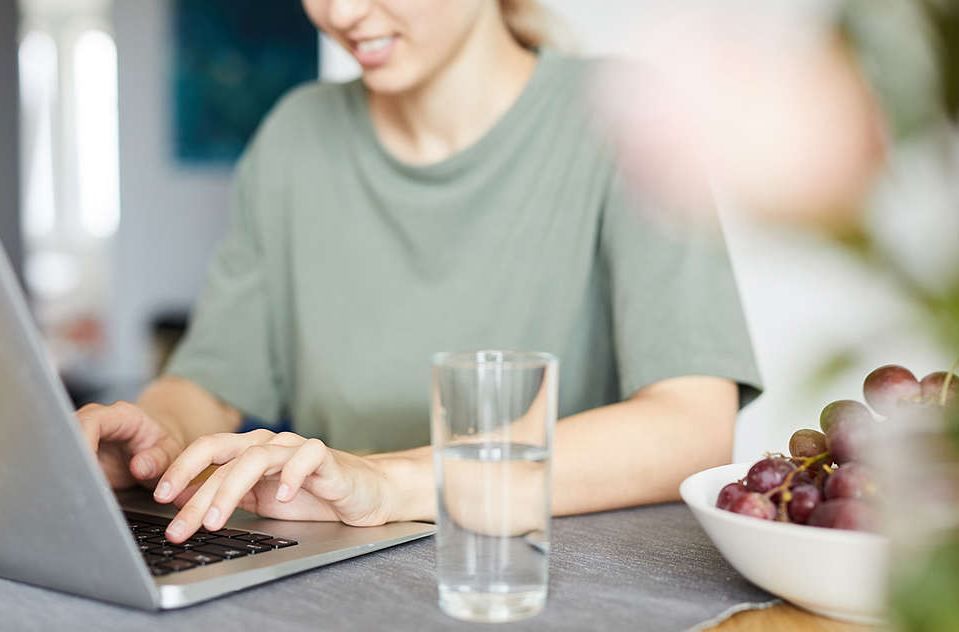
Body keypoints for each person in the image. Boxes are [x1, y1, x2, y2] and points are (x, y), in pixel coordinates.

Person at [77, 0, 761, 543]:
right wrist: (154, 436)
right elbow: (211, 381)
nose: (340, 11)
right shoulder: (295, 137)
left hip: (550, 580)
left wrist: (390, 484)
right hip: (336, 587)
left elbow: (689, 428)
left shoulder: (628, 117)